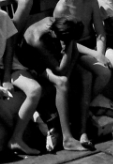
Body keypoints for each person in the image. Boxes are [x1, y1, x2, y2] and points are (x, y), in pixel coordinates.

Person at [52, 0, 111, 150]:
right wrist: (96, 54)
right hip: (71, 49)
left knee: (104, 73)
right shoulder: (62, 7)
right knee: (86, 77)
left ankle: (80, 116)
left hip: (89, 46)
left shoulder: (91, 1)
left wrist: (100, 51)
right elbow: (66, 42)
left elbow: (100, 32)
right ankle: (82, 126)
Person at [18, 17, 84, 151]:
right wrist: (68, 48)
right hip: (29, 64)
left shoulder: (57, 24)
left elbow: (74, 54)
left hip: (45, 60)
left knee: (78, 77)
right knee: (62, 83)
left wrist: (70, 45)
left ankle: (81, 128)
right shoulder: (38, 39)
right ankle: (68, 139)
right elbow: (59, 69)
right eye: (66, 41)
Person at [0, 4, 41, 156]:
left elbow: (9, 51)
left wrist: (6, 77)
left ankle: (16, 139)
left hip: (5, 66)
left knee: (35, 90)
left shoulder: (3, 16)